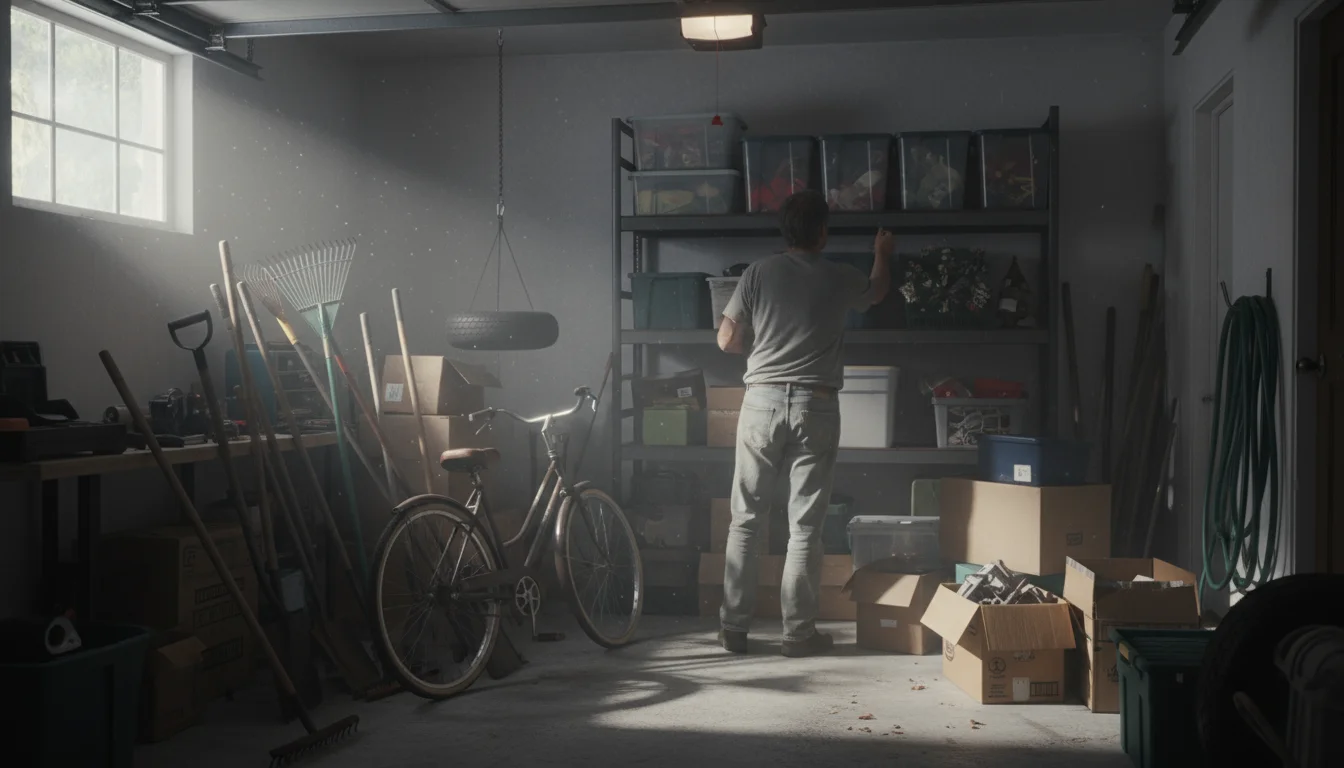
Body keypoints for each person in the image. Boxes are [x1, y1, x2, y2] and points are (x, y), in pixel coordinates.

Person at [716, 190, 893, 657]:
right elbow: (876, 293)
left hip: (761, 402)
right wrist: (882, 254)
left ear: (784, 232)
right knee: (805, 527)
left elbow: (727, 339)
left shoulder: (757, 273)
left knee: (746, 520)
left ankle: (734, 628)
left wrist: (759, 345)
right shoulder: (839, 276)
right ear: (822, 232)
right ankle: (798, 634)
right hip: (816, 405)